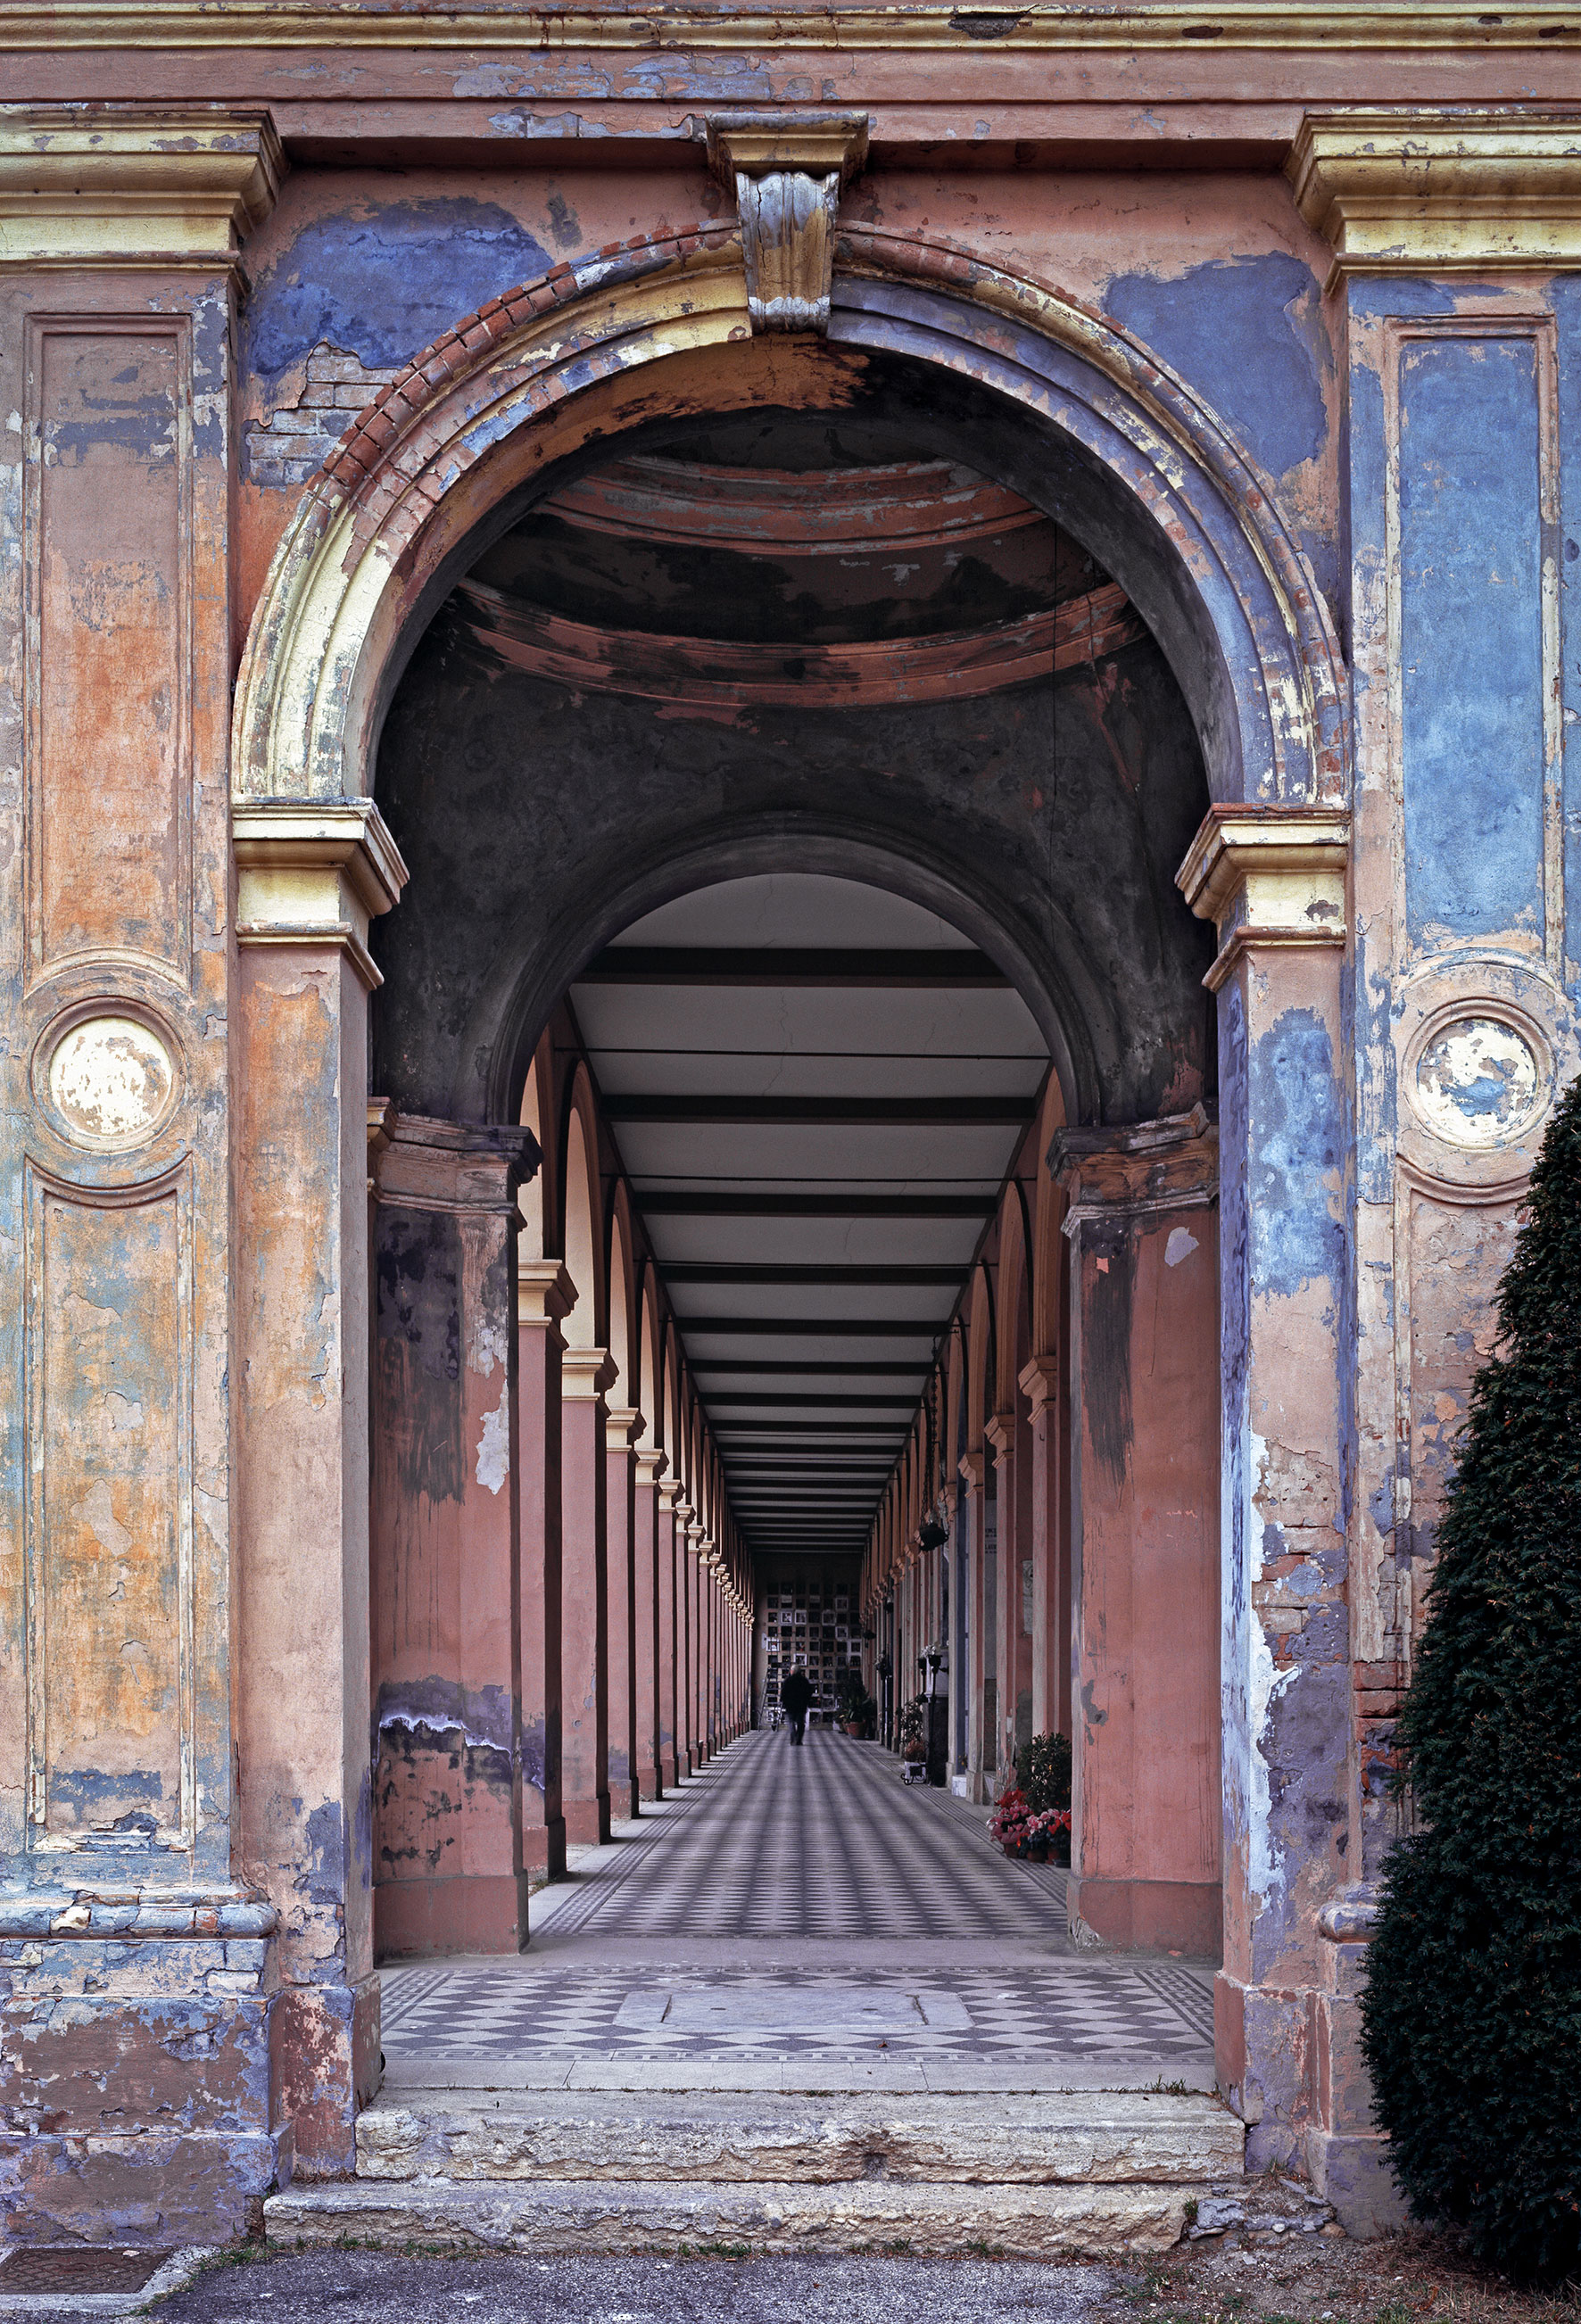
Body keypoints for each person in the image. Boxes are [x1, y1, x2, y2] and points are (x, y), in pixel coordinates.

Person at [780, 1667, 814, 1747]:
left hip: (790, 1706)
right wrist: (807, 1702)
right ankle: (799, 1740)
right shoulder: (804, 1680)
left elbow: (783, 1692)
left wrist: (783, 1702)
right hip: (801, 1706)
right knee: (801, 1723)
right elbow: (809, 1692)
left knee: (791, 1722)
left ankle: (793, 1739)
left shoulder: (788, 1680)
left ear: (792, 1671)